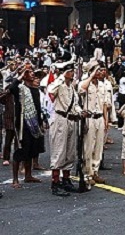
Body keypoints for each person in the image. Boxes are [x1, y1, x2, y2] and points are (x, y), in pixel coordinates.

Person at [48, 62, 85, 196]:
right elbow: (50, 90)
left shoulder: (71, 89)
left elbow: (75, 104)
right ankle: (55, 182)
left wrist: (81, 112)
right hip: (60, 119)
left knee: (70, 152)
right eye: (70, 71)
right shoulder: (59, 85)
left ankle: (66, 179)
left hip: (71, 120)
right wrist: (61, 77)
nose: (73, 73)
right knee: (59, 150)